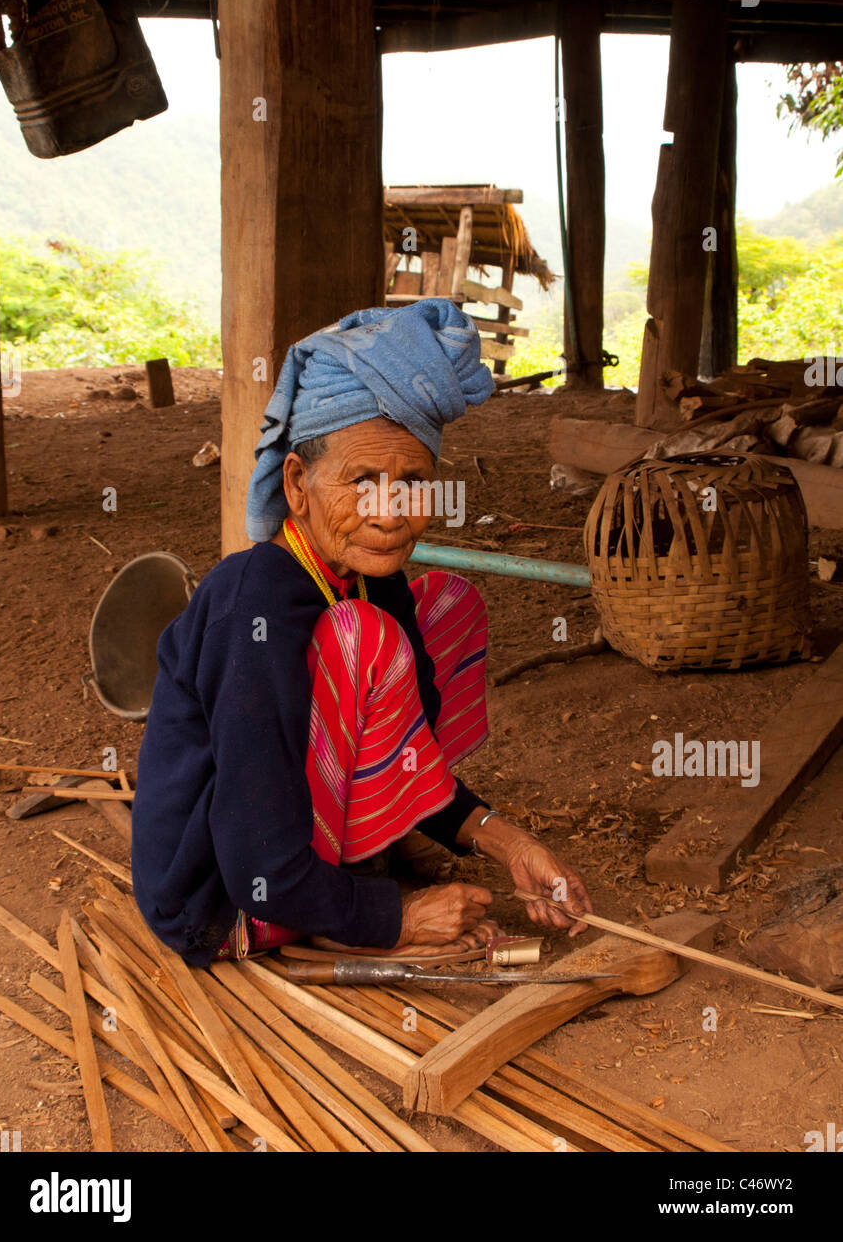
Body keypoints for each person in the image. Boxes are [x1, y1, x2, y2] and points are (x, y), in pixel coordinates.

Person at [132, 299, 592, 965]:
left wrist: (506, 841)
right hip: (224, 901)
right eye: (361, 481)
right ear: (298, 484)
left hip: (295, 854)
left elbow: (405, 749)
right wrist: (391, 917)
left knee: (446, 605)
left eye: (412, 483)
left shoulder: (371, 575)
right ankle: (336, 891)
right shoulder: (253, 602)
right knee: (363, 639)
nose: (389, 514)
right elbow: (253, 857)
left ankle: (364, 847)